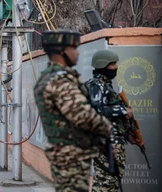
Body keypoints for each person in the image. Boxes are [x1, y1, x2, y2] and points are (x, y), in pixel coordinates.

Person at [33, 29, 113, 192]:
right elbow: (83, 116)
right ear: (61, 51)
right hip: (71, 156)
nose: (77, 53)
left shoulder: (50, 77)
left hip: (66, 152)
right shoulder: (60, 80)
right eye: (73, 48)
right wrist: (107, 128)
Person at [85, 50, 133, 191]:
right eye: (112, 64)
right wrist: (124, 111)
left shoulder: (105, 85)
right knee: (105, 182)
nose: (116, 67)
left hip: (113, 139)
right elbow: (98, 110)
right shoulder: (96, 85)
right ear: (102, 65)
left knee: (112, 182)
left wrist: (128, 134)